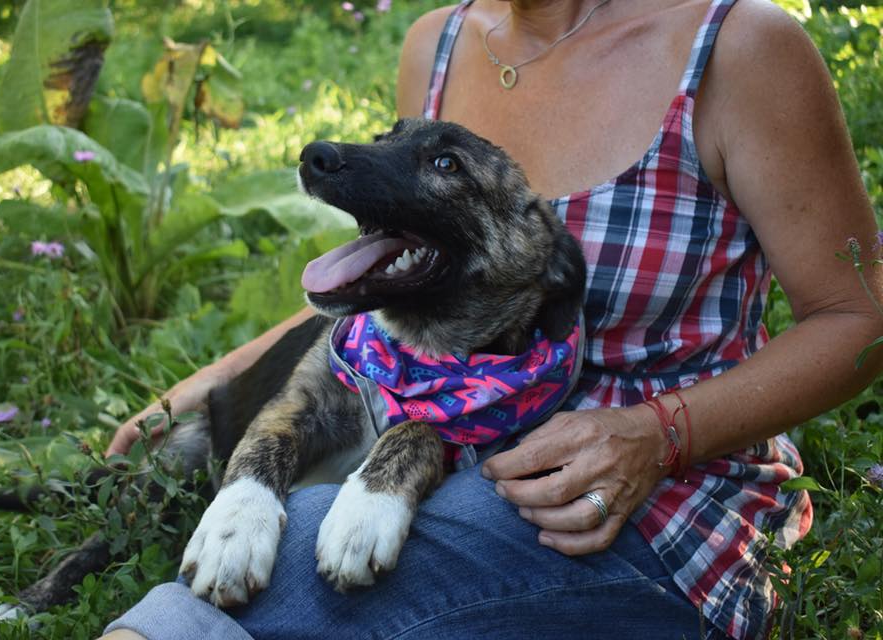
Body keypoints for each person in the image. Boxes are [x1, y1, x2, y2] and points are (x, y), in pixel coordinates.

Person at [100, 0, 883, 637]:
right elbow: (396, 265)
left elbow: (858, 316)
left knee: (297, 547)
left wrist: (655, 434)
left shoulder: (738, 48)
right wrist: (223, 372)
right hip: (455, 455)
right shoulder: (437, 44)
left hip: (650, 510)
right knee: (295, 530)